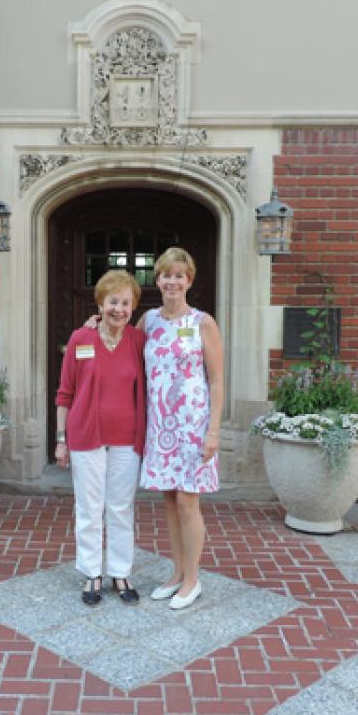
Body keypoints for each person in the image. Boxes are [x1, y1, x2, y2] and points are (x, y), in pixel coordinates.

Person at [55, 270, 147, 606]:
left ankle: (121, 572)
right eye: (113, 301)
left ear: (133, 307)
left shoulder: (138, 341)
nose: (119, 309)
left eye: (126, 302)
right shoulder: (81, 339)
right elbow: (64, 393)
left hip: (126, 438)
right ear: (100, 303)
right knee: (89, 508)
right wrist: (60, 439)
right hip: (85, 436)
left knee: (121, 507)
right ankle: (92, 572)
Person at [139, 247, 223, 610]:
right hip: (160, 426)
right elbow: (118, 350)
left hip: (193, 424)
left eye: (179, 275)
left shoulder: (202, 322)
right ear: (157, 279)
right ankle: (176, 573)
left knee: (189, 501)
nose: (172, 281)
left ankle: (193, 579)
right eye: (166, 275)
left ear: (189, 280)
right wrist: (92, 326)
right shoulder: (148, 322)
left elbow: (217, 380)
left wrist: (214, 431)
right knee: (170, 500)